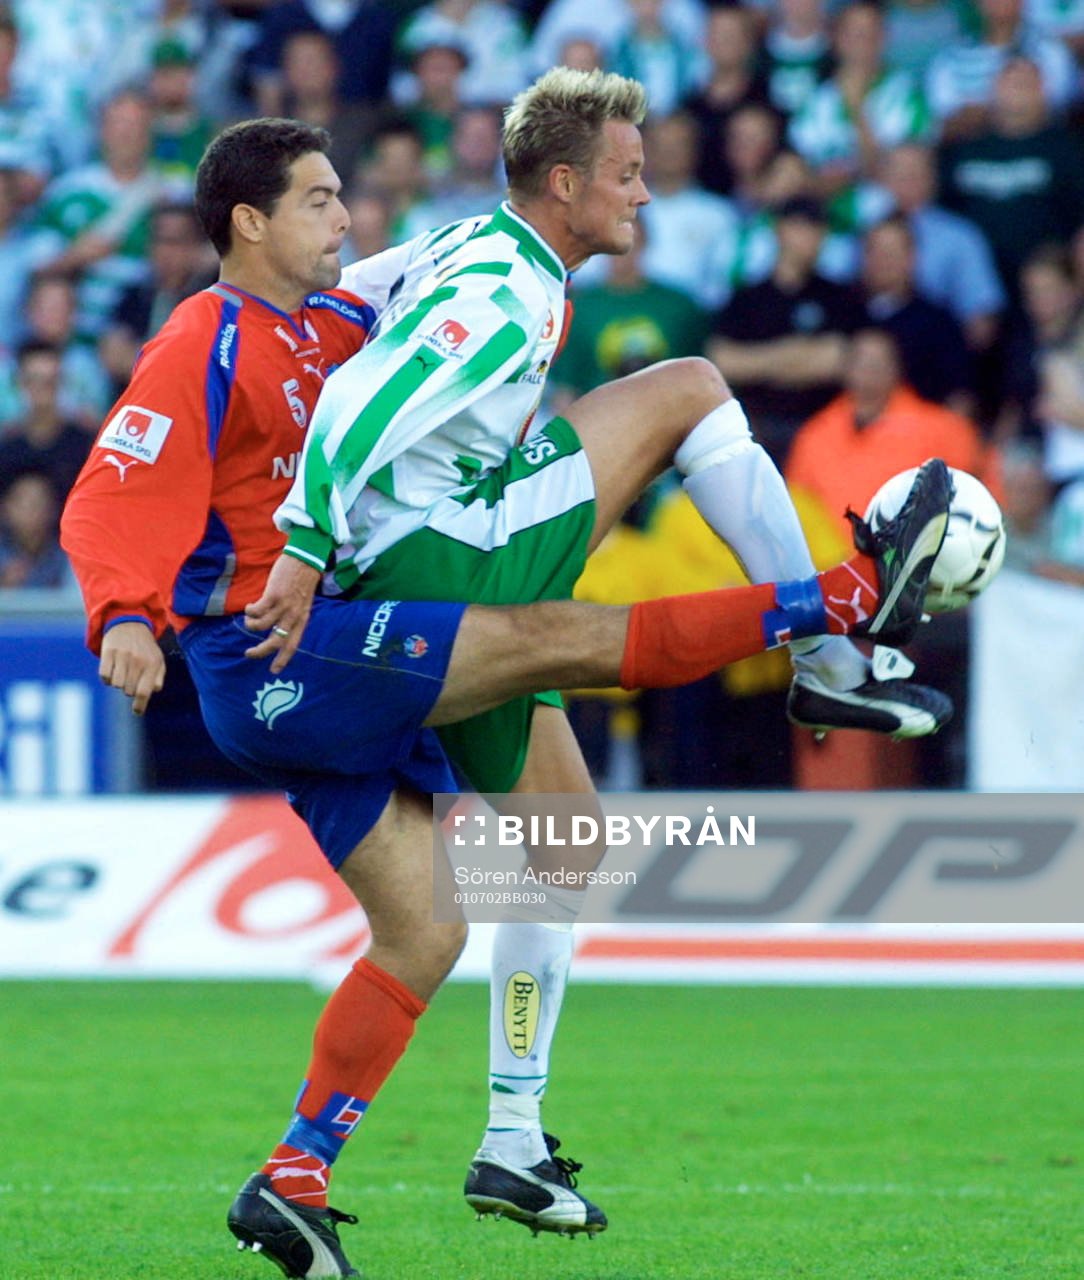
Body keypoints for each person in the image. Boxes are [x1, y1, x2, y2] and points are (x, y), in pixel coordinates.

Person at [60, 112, 953, 1279]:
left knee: (476, 897)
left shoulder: (336, 315)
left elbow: (430, 266)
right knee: (549, 641)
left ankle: (336, 1168)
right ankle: (825, 610)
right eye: (321, 200)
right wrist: (124, 614)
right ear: (249, 221)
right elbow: (106, 491)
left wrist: (516, 218)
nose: (346, 216)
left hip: (348, 629)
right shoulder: (203, 338)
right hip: (278, 654)